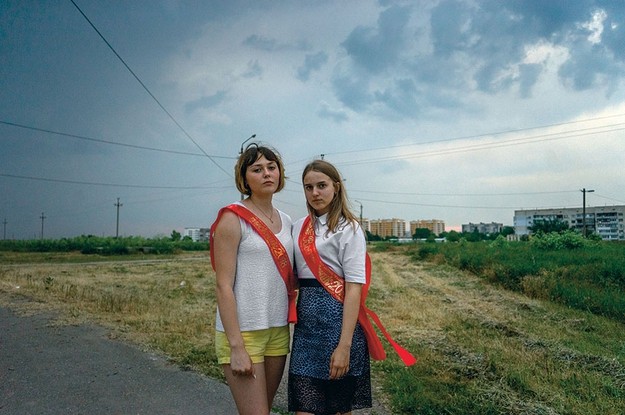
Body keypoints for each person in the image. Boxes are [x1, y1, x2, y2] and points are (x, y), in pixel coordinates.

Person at [209, 143, 297, 415]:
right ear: (244, 178)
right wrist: (236, 346)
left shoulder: (287, 220)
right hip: (244, 332)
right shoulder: (232, 218)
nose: (267, 174)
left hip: (277, 330)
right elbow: (223, 285)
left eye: (272, 167)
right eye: (257, 169)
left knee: (264, 410)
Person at [288, 159, 372, 415]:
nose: (315, 193)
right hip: (306, 331)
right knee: (304, 409)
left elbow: (354, 288)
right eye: (308, 187)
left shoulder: (350, 229)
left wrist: (344, 346)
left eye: (321, 185)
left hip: (339, 328)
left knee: (338, 410)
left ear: (336, 187)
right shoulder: (298, 227)